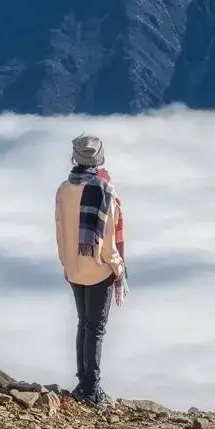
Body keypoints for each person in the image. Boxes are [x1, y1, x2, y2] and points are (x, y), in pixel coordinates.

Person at [55, 133, 128, 406]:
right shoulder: (105, 190)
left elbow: (60, 232)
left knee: (83, 323)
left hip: (74, 267)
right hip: (99, 269)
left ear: (74, 157)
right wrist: (118, 268)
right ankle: (91, 388)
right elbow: (108, 243)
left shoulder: (64, 189)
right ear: (100, 157)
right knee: (96, 328)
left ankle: (83, 383)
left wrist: (66, 262)